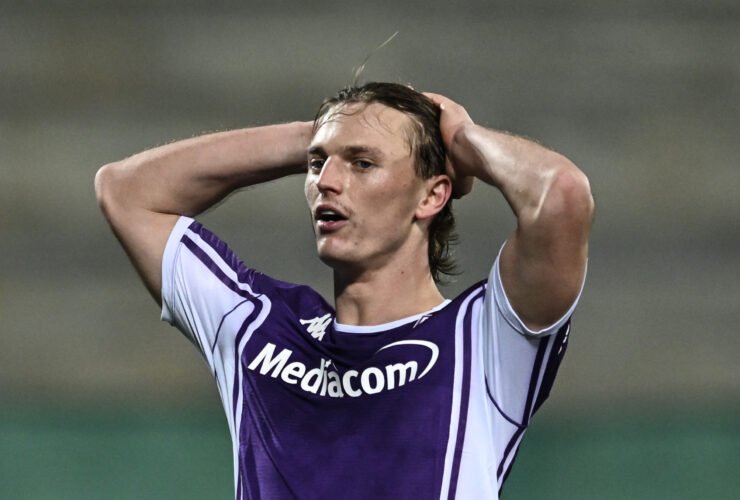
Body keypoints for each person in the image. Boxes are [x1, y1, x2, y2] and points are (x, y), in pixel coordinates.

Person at [95, 82, 593, 499]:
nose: (327, 181)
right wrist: (318, 134)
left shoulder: (483, 339)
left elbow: (562, 194)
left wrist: (459, 137)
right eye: (318, 164)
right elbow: (124, 191)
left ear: (432, 195)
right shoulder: (256, 327)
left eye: (362, 163)